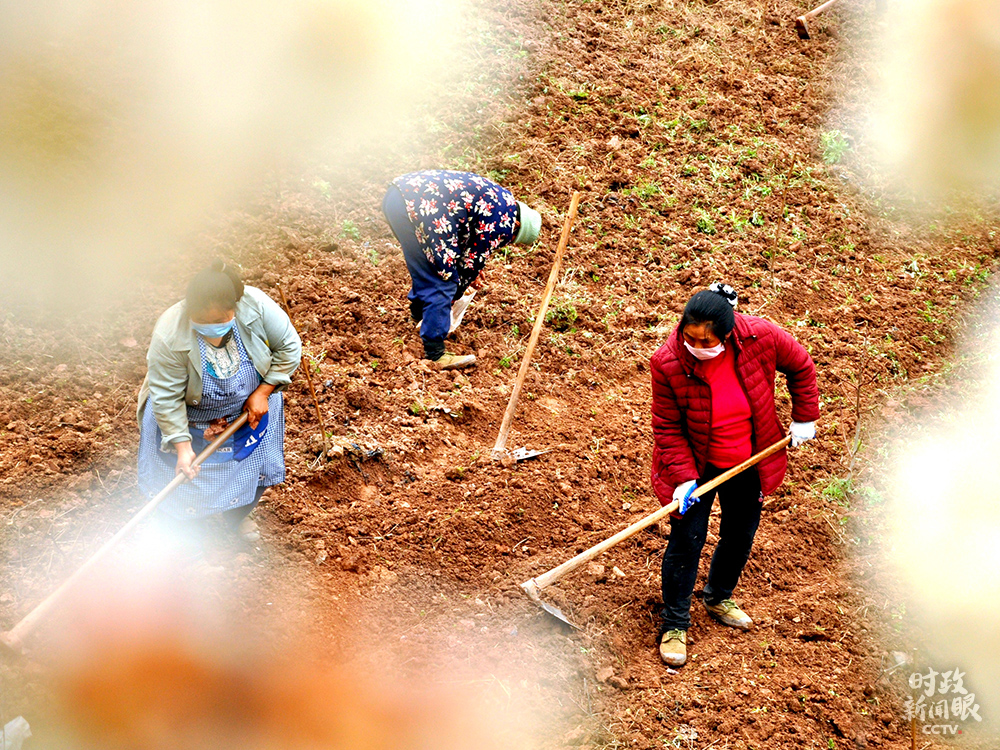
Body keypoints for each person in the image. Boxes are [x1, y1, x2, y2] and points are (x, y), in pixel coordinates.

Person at [649, 283, 819, 667]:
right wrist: (682, 477)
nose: (695, 345)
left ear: (727, 333)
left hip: (750, 455)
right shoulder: (667, 362)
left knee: (740, 533)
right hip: (696, 463)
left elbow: (801, 366)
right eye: (688, 337)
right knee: (687, 538)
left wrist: (804, 417)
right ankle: (675, 623)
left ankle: (718, 596)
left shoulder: (761, 336)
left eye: (705, 340)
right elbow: (667, 424)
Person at [136, 261, 301, 565]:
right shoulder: (170, 333)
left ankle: (235, 517)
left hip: (249, 412)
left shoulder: (256, 307)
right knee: (180, 482)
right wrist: (182, 447)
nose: (212, 325)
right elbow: (167, 396)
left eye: (220, 319)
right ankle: (187, 532)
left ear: (233, 309)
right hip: (187, 417)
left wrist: (263, 392)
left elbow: (289, 347)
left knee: (251, 471)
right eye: (203, 319)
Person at [381, 170, 542, 369]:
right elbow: (470, 262)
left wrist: (471, 270)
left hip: (398, 198)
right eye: (512, 237)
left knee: (425, 262)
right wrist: (455, 294)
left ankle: (419, 314)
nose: (507, 241)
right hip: (422, 208)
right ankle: (435, 352)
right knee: (445, 278)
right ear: (517, 224)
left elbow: (467, 239)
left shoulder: (501, 201)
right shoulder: (504, 221)